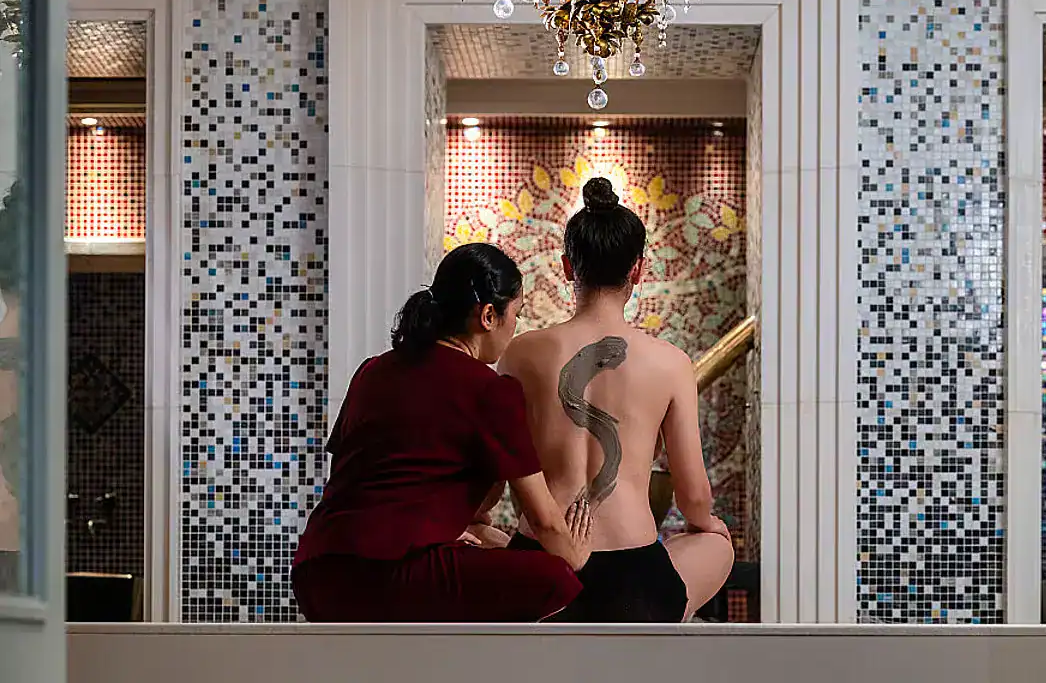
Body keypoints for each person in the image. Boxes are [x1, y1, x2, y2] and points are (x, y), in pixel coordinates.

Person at [292, 243, 592, 622]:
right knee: (557, 579)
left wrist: (444, 534)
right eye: (516, 314)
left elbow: (358, 484)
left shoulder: (372, 371)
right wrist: (576, 556)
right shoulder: (490, 389)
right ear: (487, 316)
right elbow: (545, 520)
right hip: (386, 576)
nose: (516, 327)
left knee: (486, 552)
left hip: (315, 572)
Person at [498, 177, 734, 622]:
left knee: (490, 537)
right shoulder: (671, 363)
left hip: (542, 567)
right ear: (638, 271)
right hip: (633, 586)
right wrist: (708, 525)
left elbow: (496, 466)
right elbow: (693, 498)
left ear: (568, 267)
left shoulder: (520, 351)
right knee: (714, 544)